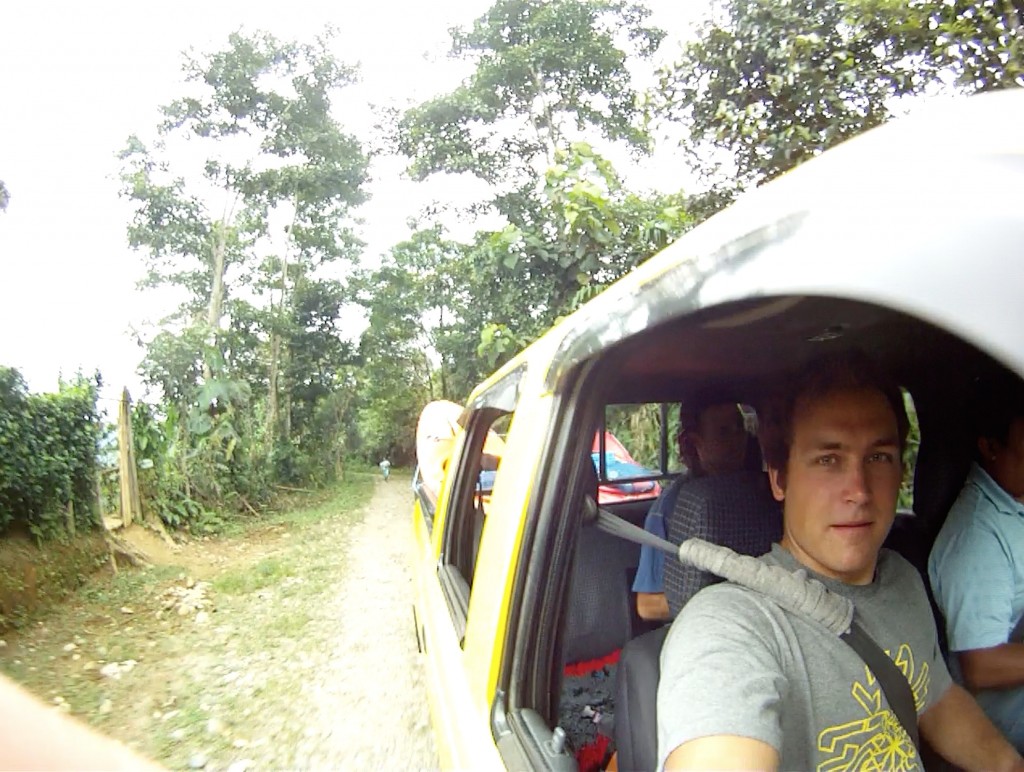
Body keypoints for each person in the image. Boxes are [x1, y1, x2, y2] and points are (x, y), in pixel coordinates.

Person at [658, 352, 1023, 771]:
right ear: (780, 478)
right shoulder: (730, 625)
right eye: (828, 460)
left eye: (878, 457)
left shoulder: (902, 579)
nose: (859, 490)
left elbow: (935, 698)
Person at [929, 376, 1024, 751]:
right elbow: (981, 665)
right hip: (1003, 721)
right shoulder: (976, 537)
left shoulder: (1012, 502)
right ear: (990, 447)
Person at [632, 391, 751, 621]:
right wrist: (721, 603)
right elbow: (647, 605)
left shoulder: (761, 490)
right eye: (723, 432)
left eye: (739, 428)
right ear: (695, 442)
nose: (737, 440)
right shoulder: (669, 511)